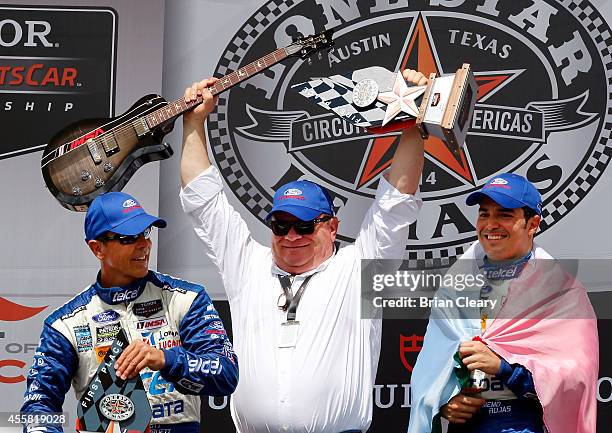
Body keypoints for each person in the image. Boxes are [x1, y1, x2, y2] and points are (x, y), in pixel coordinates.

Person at [179, 70, 427, 433]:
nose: (291, 235)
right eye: (281, 225)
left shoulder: (358, 271)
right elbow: (204, 200)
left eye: (305, 225)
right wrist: (194, 123)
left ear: (332, 227)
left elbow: (395, 205)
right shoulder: (248, 266)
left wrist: (411, 119)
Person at [21, 192, 238, 433]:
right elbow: (39, 406)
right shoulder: (65, 325)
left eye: (145, 233)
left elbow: (226, 374)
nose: (144, 244)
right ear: (97, 249)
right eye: (128, 238)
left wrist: (167, 359)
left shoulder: (185, 300)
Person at [408, 173, 598, 433]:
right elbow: (431, 368)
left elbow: (575, 380)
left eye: (504, 215)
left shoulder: (562, 292)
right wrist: (446, 402)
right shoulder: (454, 286)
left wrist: (503, 368)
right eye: (484, 214)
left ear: (532, 224)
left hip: (524, 424)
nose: (490, 224)